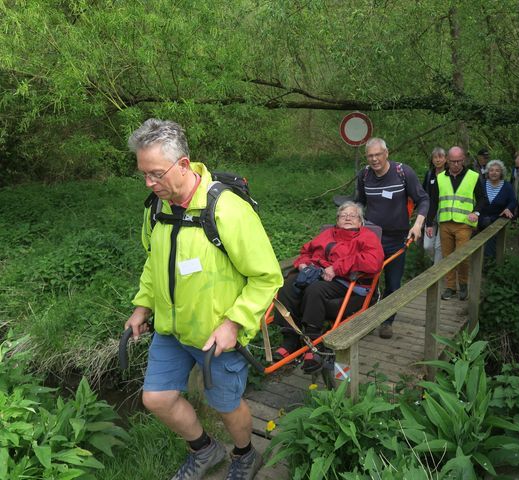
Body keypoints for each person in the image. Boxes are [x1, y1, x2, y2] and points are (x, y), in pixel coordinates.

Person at [125, 119, 283, 480]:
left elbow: (267, 277)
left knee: (226, 406)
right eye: (143, 174)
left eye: (155, 174)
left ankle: (245, 454)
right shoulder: (156, 208)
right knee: (157, 399)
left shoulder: (226, 210)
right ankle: (206, 450)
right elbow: (154, 263)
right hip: (170, 330)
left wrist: (234, 323)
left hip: (217, 338)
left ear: (182, 165)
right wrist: (142, 306)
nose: (149, 183)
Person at [272, 201, 384, 372]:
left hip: (346, 281)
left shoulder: (367, 237)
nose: (347, 218)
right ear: (337, 220)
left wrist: (337, 268)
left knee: (315, 290)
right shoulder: (327, 234)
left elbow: (373, 262)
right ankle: (290, 338)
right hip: (315, 273)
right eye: (343, 215)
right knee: (287, 286)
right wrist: (303, 264)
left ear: (360, 221)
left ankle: (313, 342)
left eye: (352, 215)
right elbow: (305, 252)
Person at [355, 137, 429, 339]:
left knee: (393, 283)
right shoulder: (364, 176)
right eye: (370, 156)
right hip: (371, 238)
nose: (374, 159)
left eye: (378, 154)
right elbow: (359, 203)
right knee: (366, 280)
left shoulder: (403, 173)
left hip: (397, 239)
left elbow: (423, 199)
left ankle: (387, 322)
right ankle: (366, 319)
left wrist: (417, 224)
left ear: (386, 153)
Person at [426, 146, 486, 301]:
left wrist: (476, 213)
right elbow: (433, 202)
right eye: (453, 161)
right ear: (448, 160)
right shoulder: (440, 178)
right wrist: (429, 224)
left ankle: (464, 285)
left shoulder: (473, 176)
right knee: (447, 257)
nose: (456, 164)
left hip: (464, 224)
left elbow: (482, 199)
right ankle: (450, 287)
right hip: (445, 222)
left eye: (459, 161)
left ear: (464, 159)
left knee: (462, 257)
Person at [478, 160, 516, 258]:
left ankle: (490, 269)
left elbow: (513, 201)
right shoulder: (482, 184)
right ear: (488, 172)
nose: (494, 173)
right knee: (476, 247)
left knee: (490, 250)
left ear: (501, 173)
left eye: (497, 171)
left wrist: (508, 208)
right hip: (480, 220)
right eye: (491, 170)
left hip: (495, 221)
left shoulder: (507, 186)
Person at [422, 147, 447, 264]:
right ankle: (435, 263)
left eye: (440, 157)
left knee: (439, 247)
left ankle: (436, 274)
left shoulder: (449, 175)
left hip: (444, 213)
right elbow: (422, 193)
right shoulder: (429, 175)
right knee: (427, 246)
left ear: (446, 159)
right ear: (432, 160)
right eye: (435, 157)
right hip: (430, 214)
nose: (438, 160)